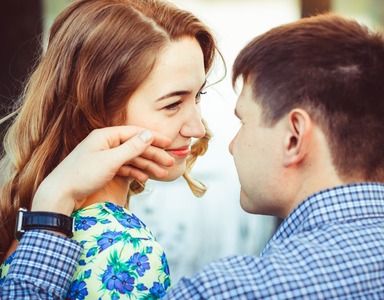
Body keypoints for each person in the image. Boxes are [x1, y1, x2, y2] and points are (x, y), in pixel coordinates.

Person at [2, 12, 384, 299]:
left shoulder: (224, 291)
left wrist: (51, 207)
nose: (205, 132)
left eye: (241, 120)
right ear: (97, 109)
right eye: (173, 102)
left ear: (294, 137)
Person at [0, 0, 220, 298]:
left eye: (198, 95)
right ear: (98, 111)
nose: (198, 128)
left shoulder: (22, 215)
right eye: (172, 104)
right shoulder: (124, 249)